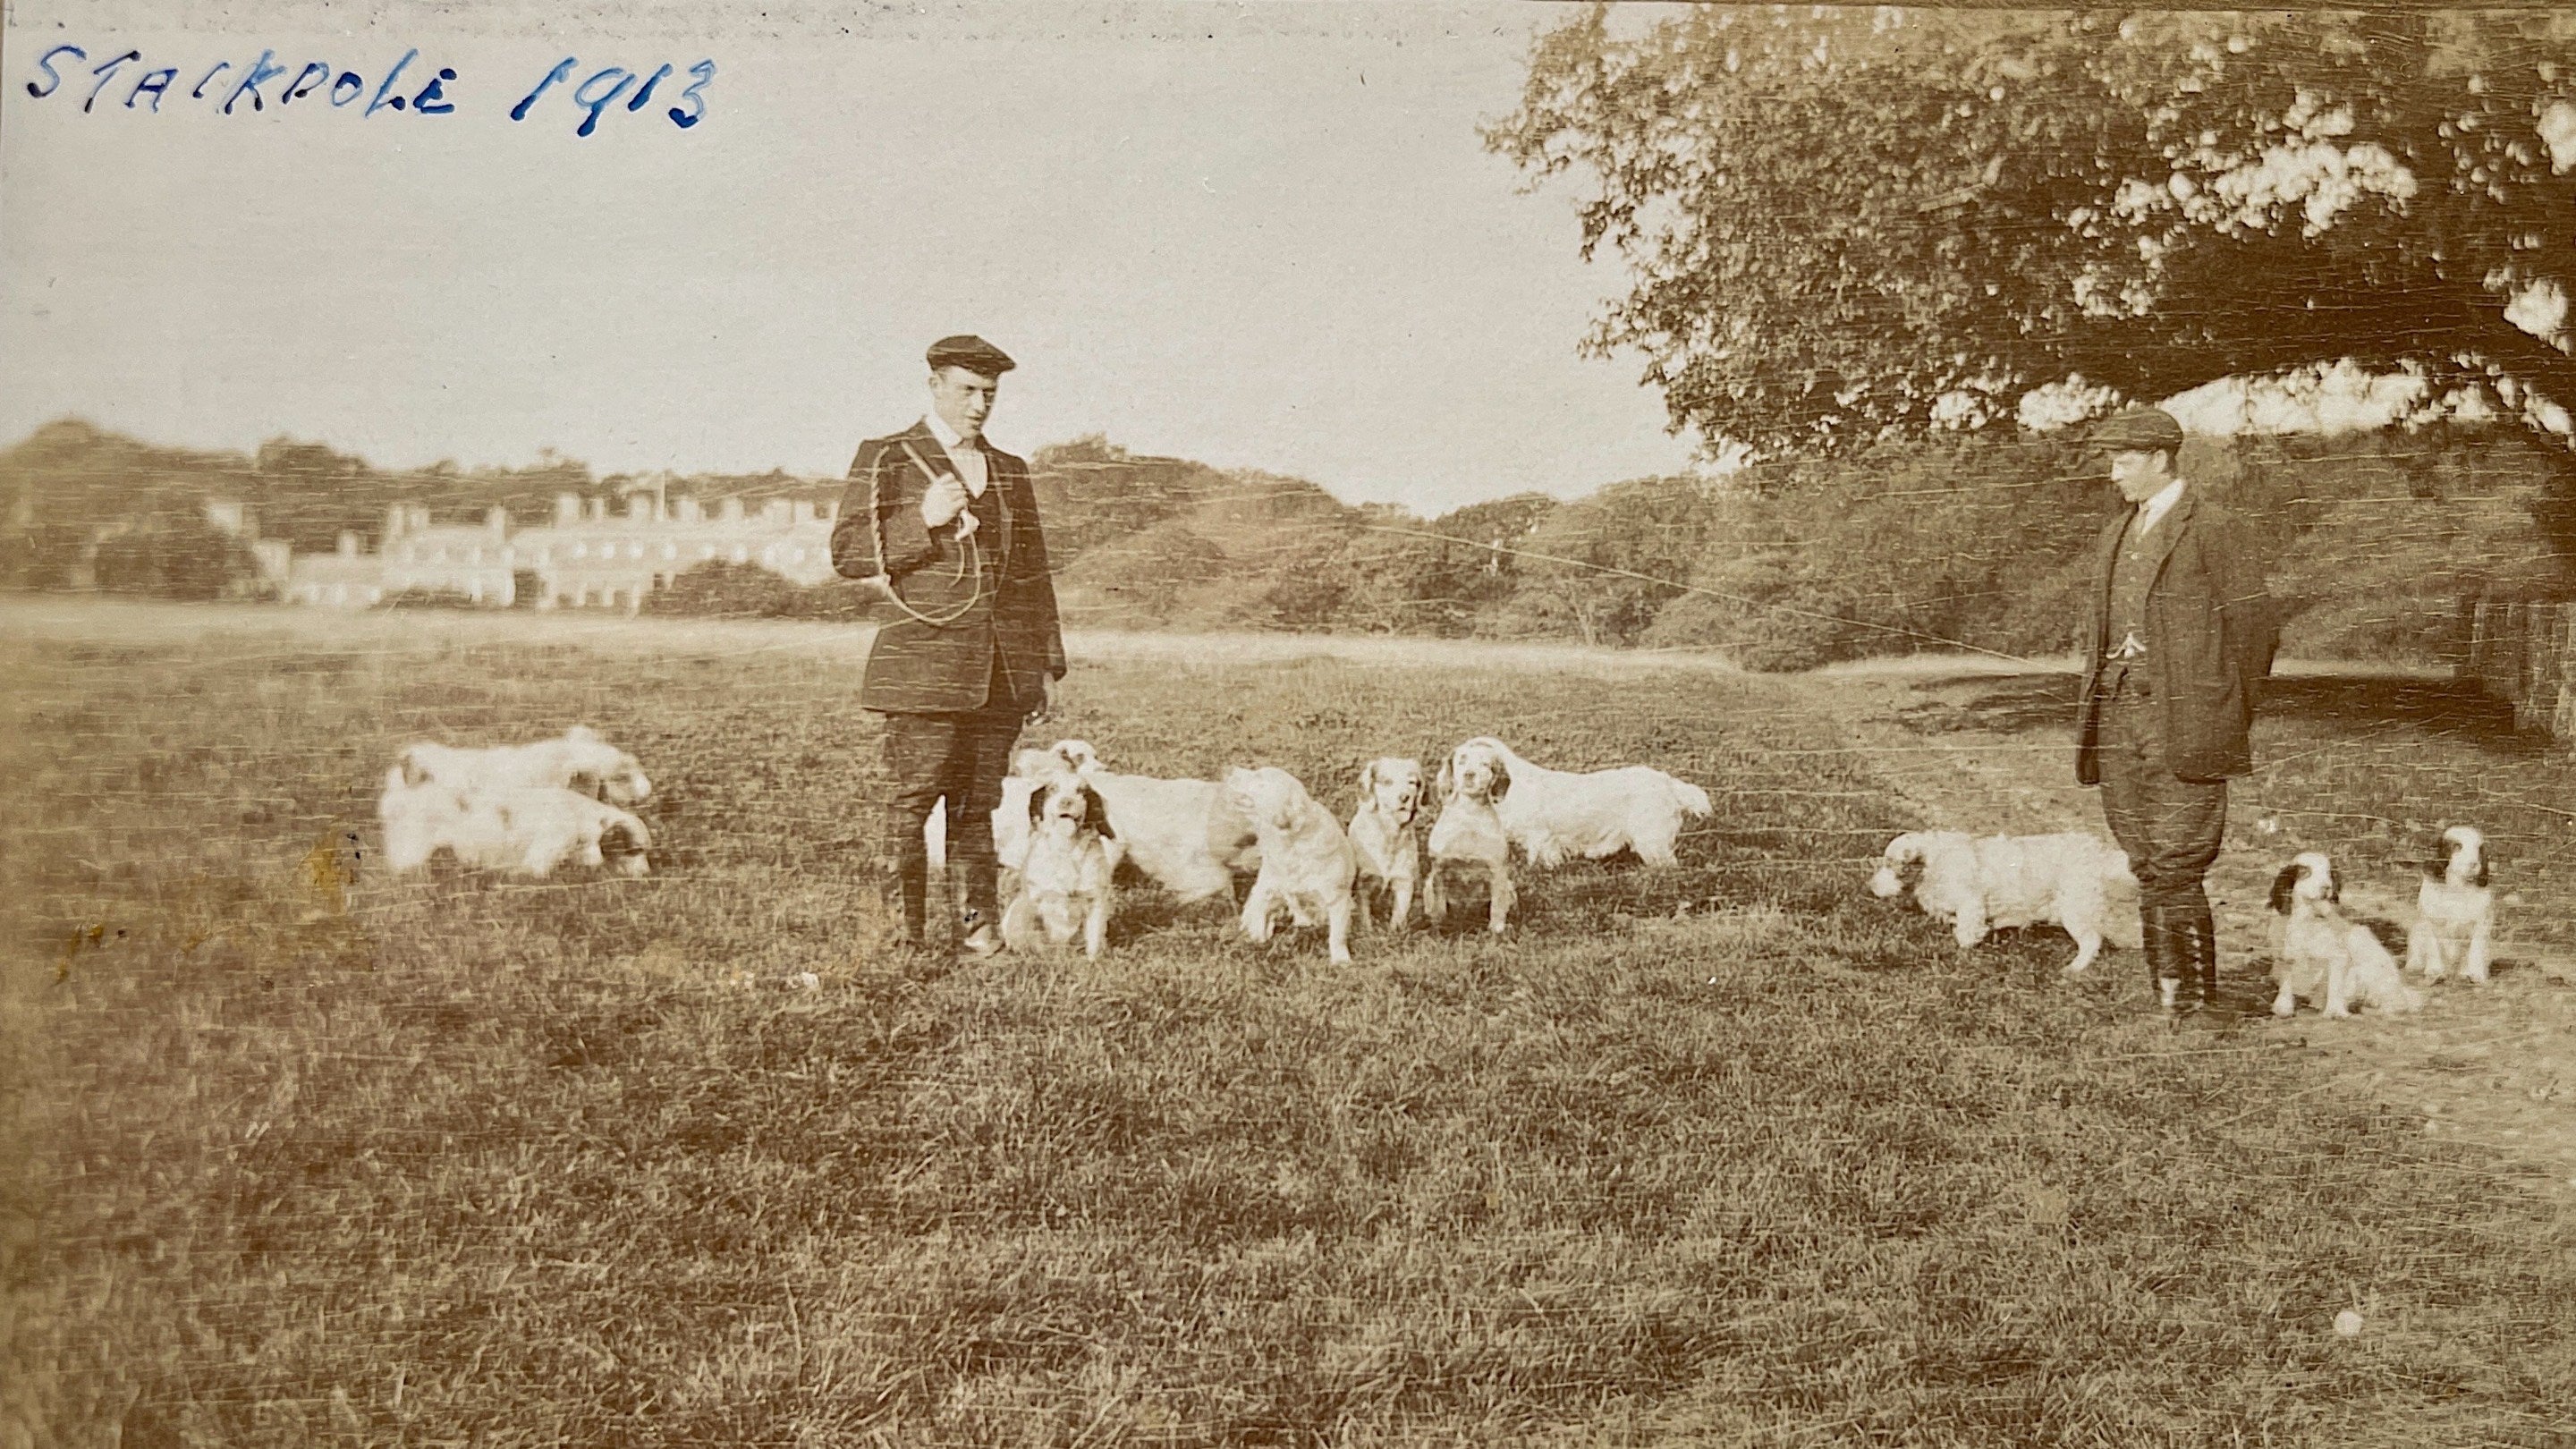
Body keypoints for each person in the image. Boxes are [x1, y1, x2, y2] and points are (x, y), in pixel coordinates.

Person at [831, 335, 1065, 956]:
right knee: (910, 804)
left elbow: (1033, 572)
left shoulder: (1010, 468)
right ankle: (899, 938)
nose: (980, 404)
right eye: (967, 390)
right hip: (923, 668)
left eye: (990, 392)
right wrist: (924, 520)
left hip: (1001, 672)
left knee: (976, 806)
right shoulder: (887, 456)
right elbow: (848, 554)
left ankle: (978, 931)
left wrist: (1043, 666)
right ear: (934, 385)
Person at [2072, 404, 2273, 1020]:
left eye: (2124, 460)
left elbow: (2255, 629)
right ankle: (2166, 1002)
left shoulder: (2214, 526)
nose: (2113, 473)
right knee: (2145, 860)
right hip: (2117, 720)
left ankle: (2194, 1009)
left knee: (2179, 862)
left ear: (2161, 459)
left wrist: (2221, 707)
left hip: (2186, 723)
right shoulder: (2116, 533)